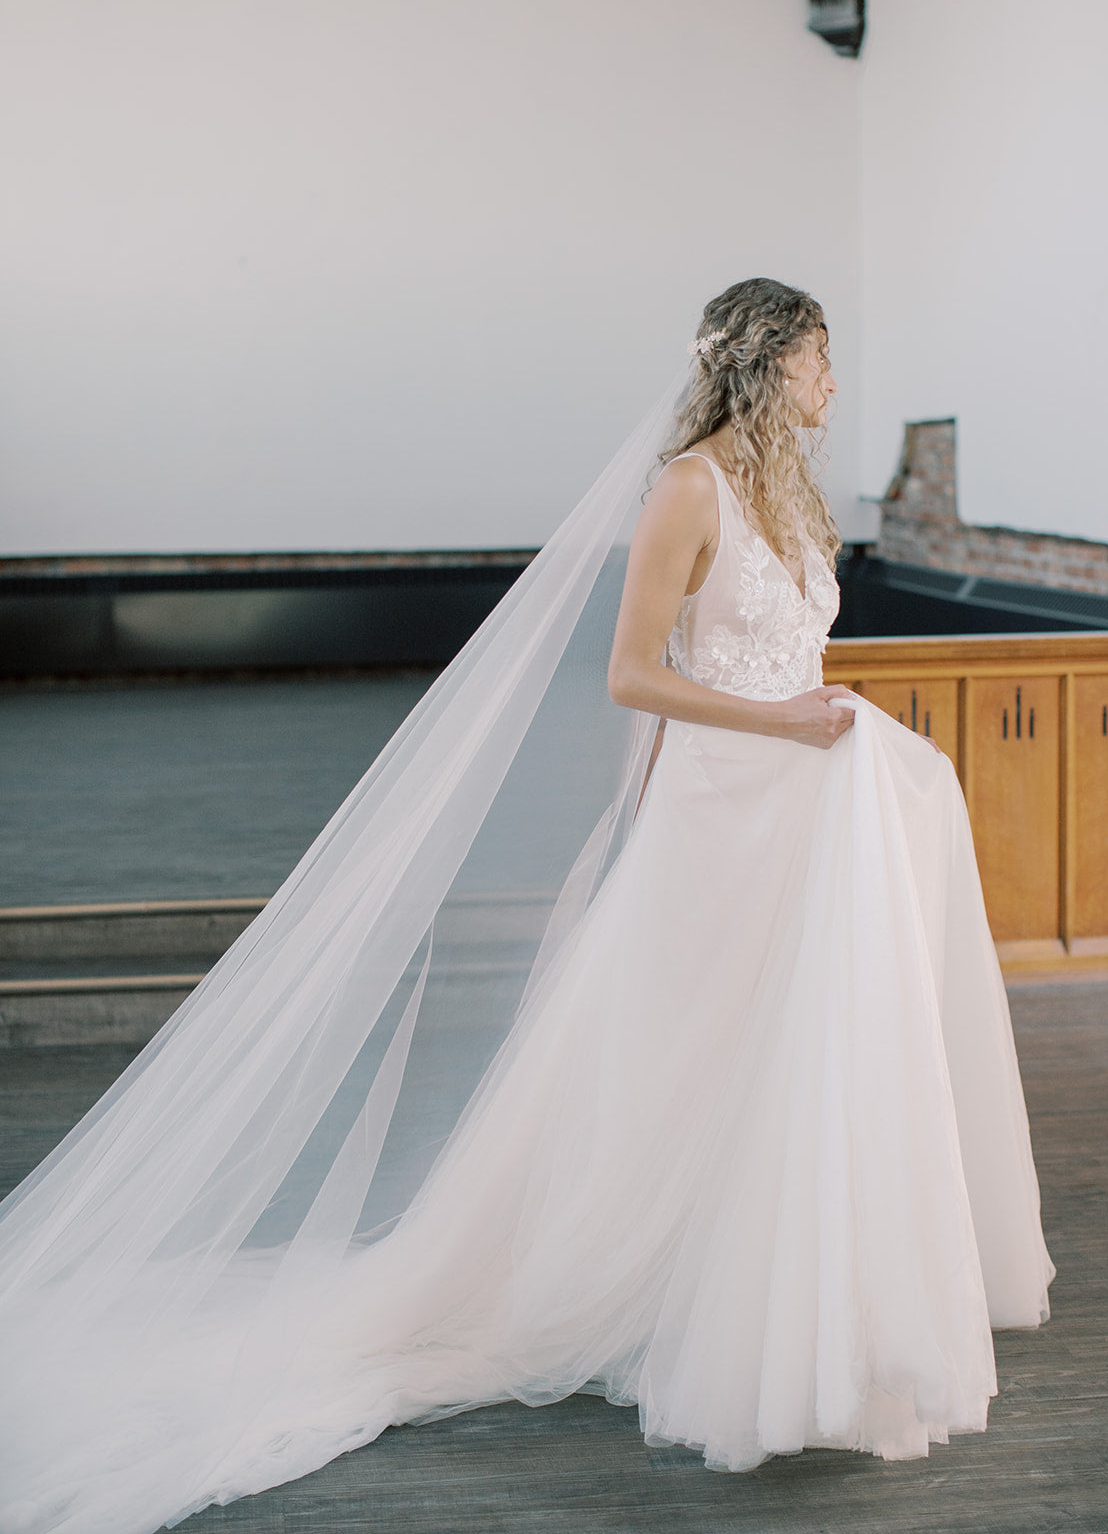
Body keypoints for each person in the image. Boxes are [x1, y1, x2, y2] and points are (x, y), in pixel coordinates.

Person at [0, 279, 1053, 1534]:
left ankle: (777, 1296)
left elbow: (794, 657)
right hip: (733, 809)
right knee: (690, 1056)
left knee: (788, 1061)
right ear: (769, 366)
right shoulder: (689, 489)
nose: (836, 382)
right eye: (822, 359)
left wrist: (806, 725)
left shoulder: (793, 491)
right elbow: (630, 675)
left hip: (801, 816)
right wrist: (761, 735)